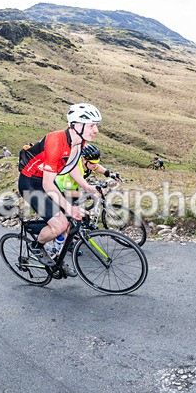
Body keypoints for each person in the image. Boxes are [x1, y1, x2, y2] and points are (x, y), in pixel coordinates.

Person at [18, 103, 102, 272]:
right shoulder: (56, 141)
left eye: (96, 125)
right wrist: (69, 208)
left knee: (69, 222)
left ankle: (55, 255)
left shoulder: (79, 142)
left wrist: (85, 185)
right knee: (60, 224)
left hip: (46, 180)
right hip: (31, 183)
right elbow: (47, 185)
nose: (96, 130)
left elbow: (70, 166)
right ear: (77, 125)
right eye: (92, 125)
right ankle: (37, 245)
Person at [55, 143, 120, 200]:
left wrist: (110, 174)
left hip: (73, 189)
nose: (95, 165)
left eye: (96, 162)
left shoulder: (88, 164)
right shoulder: (73, 169)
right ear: (83, 160)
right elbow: (67, 192)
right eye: (92, 163)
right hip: (59, 193)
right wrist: (88, 195)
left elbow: (97, 167)